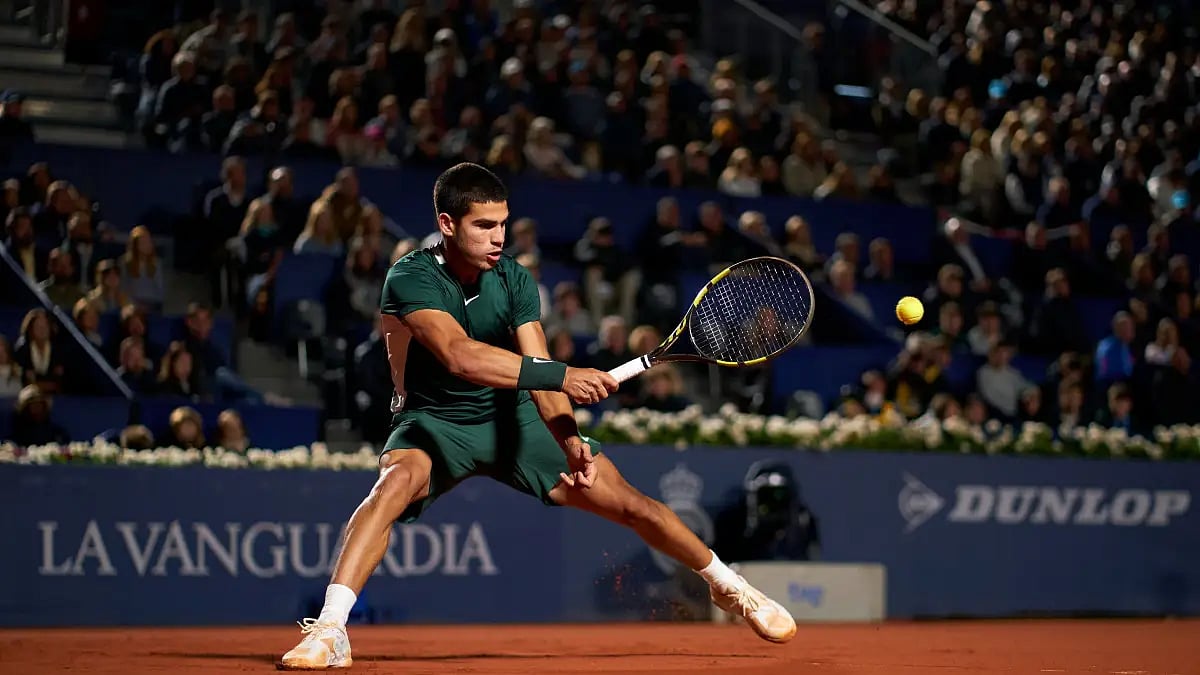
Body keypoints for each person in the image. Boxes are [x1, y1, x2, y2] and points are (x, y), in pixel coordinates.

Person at [279, 164, 796, 669]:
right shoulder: (411, 276)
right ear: (447, 224)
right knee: (393, 485)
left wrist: (569, 439)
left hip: (516, 421)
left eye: (502, 223)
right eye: (484, 225)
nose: (498, 236)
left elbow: (542, 369)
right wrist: (563, 375)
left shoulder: (515, 280)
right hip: (436, 421)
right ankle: (330, 629)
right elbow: (461, 355)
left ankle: (733, 589)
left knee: (633, 505)